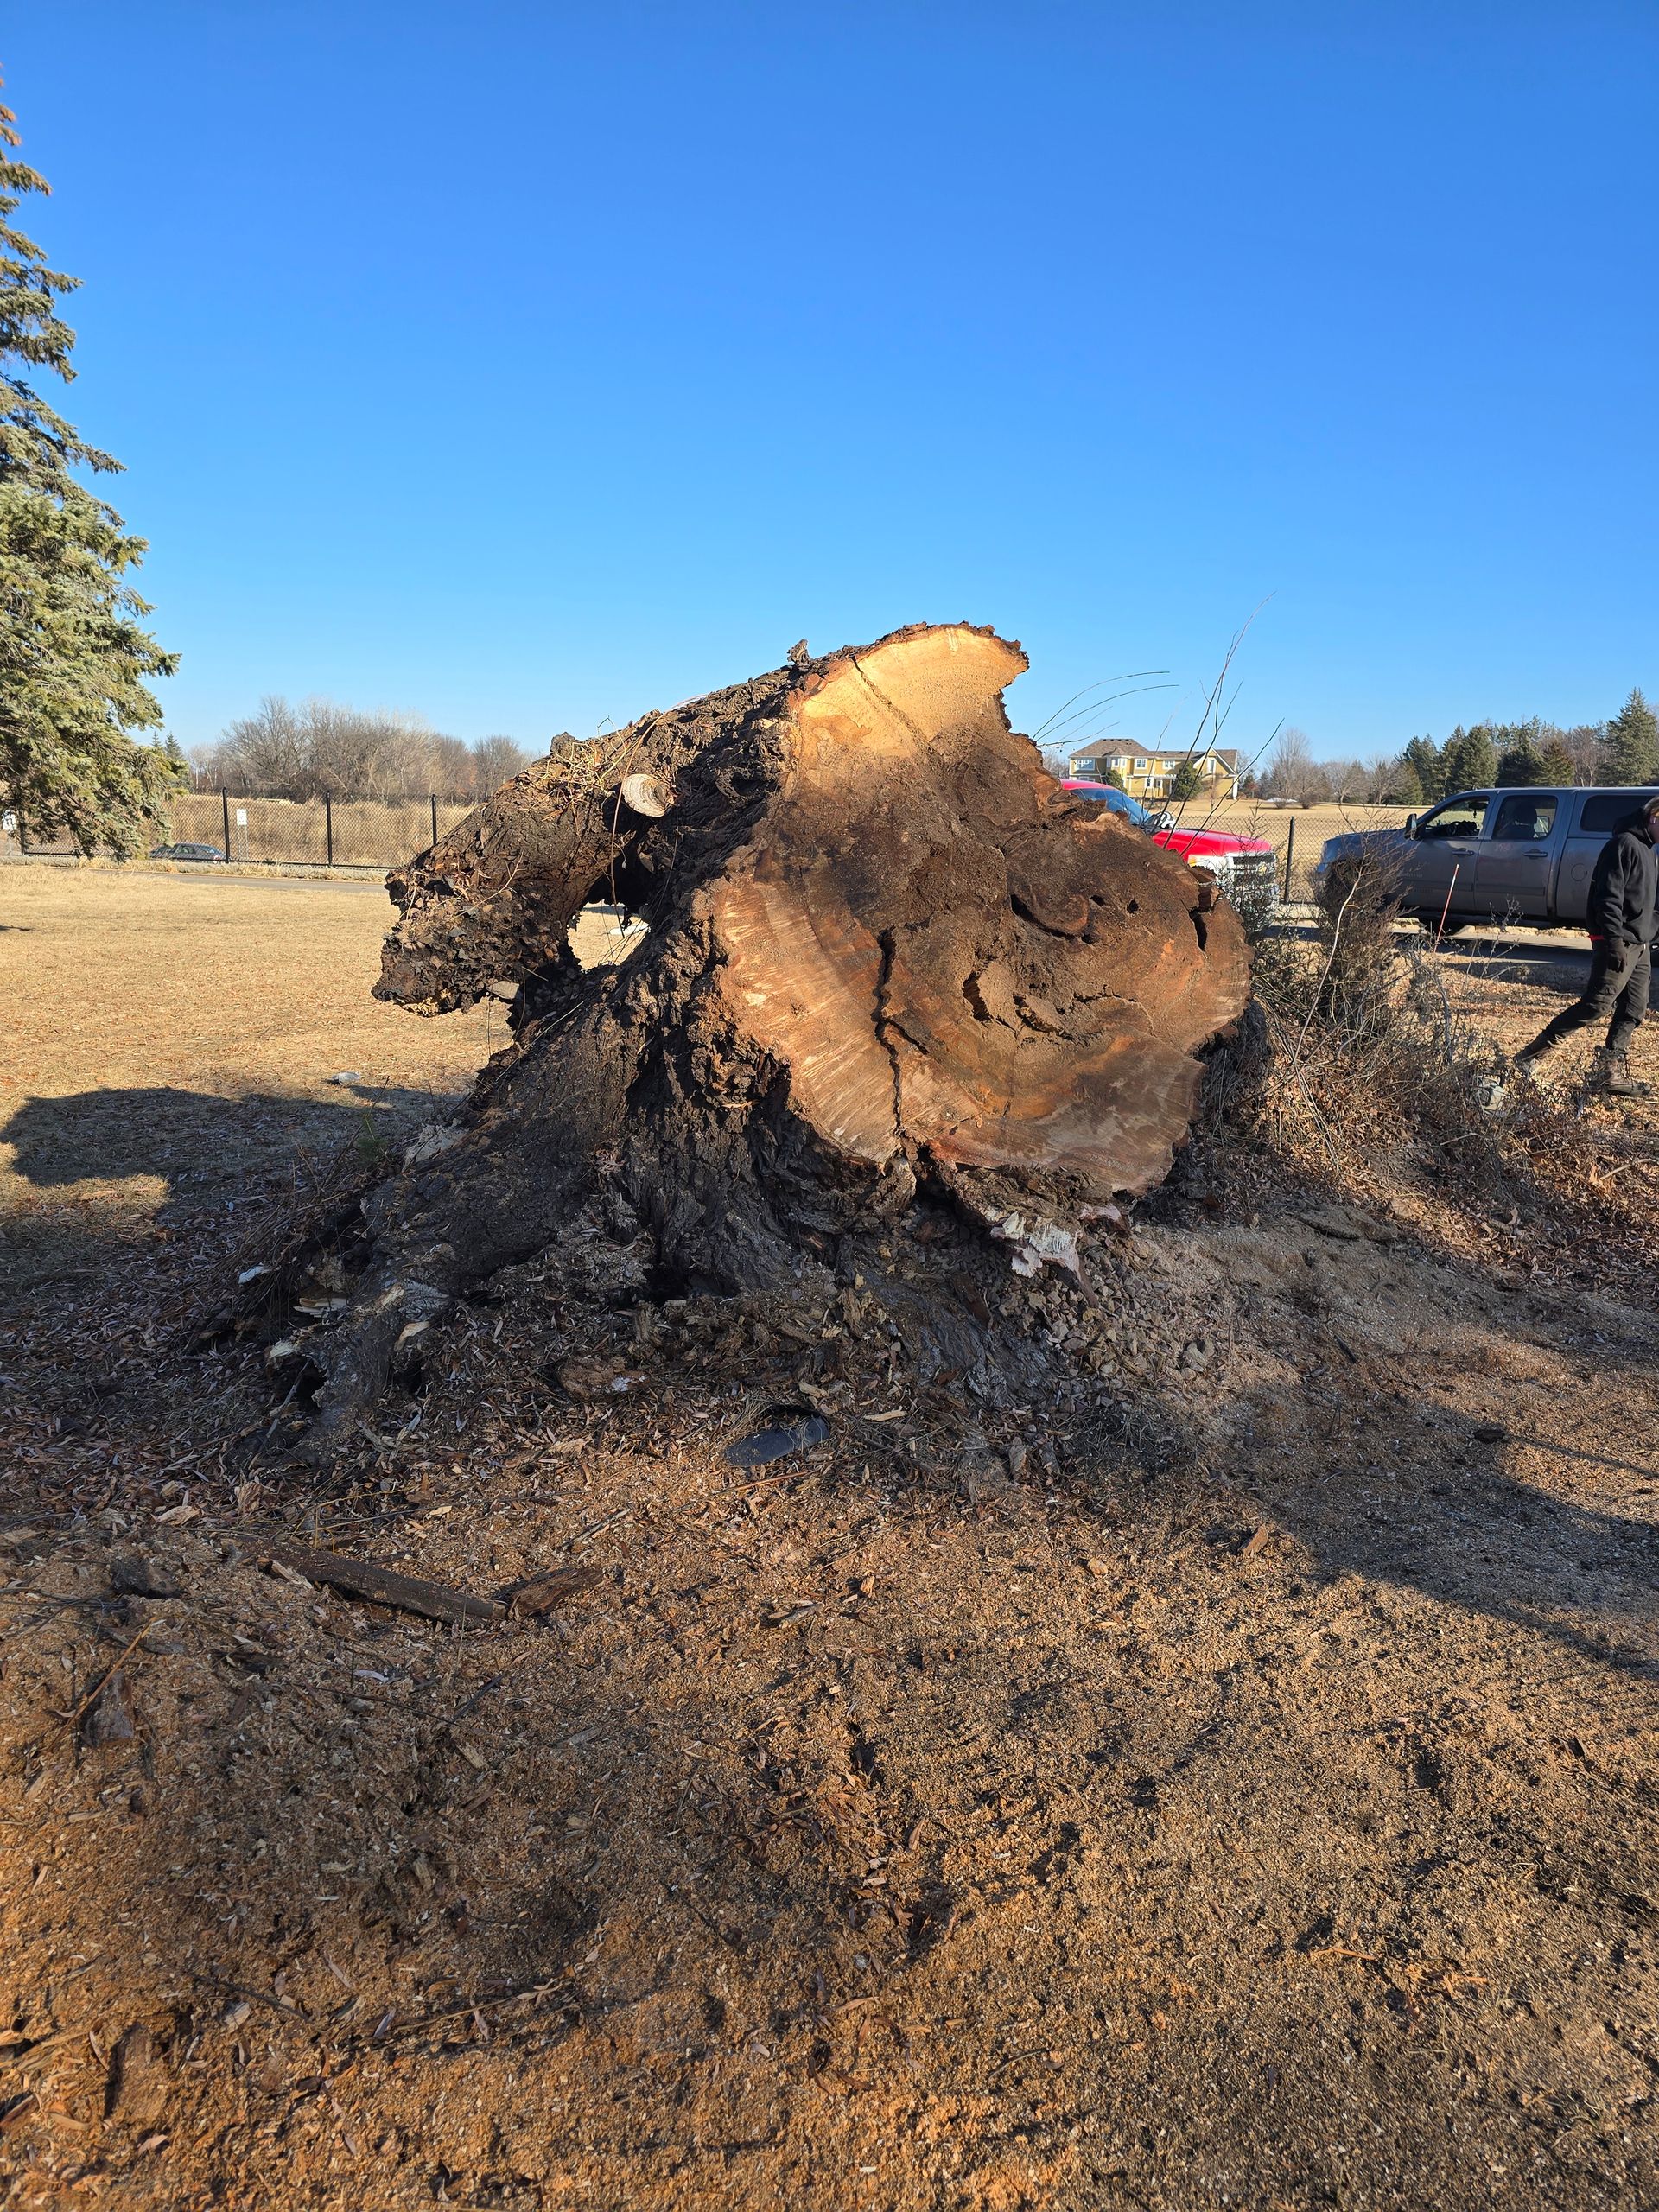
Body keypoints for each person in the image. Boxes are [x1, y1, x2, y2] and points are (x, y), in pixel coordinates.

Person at [1517, 794, 1659, 1095]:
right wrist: (1613, 942)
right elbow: (1607, 899)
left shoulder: (1649, 850)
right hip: (1618, 941)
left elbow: (1645, 902)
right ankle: (1530, 1056)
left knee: (1634, 1007)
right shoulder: (1623, 846)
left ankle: (1609, 1073)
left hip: (1640, 943)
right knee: (1596, 1005)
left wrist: (1651, 931)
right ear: (1654, 817)